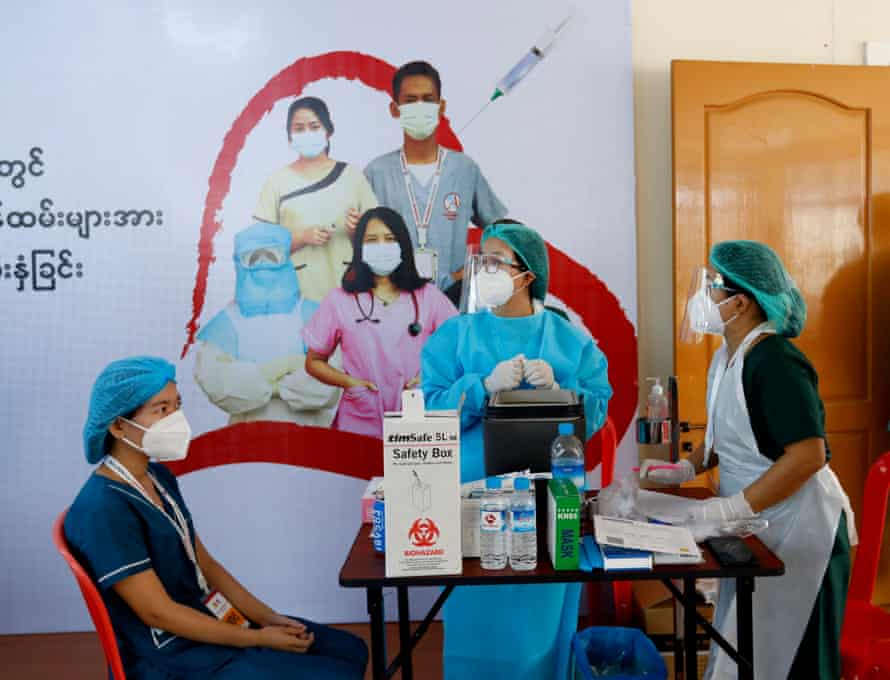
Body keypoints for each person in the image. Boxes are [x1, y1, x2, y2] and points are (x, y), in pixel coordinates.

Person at [64, 357, 368, 679]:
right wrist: (255, 639)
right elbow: (158, 612)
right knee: (334, 674)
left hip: (207, 621)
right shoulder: (104, 509)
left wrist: (267, 618)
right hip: (168, 656)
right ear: (118, 425)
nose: (176, 418)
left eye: (177, 405)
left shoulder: (157, 478)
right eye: (161, 409)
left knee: (350, 650)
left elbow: (206, 566)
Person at [640, 240, 856, 680]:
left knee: (794, 657)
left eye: (713, 287)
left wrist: (734, 508)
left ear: (741, 302)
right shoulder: (728, 358)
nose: (705, 298)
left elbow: (807, 456)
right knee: (747, 649)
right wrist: (687, 467)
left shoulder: (776, 361)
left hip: (802, 528)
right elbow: (732, 436)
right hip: (761, 523)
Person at [421, 220, 613, 679]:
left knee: (538, 628)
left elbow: (598, 410)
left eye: (494, 261)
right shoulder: (456, 335)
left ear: (526, 276)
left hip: (550, 505)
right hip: (473, 503)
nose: (481, 270)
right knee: (475, 618)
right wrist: (481, 386)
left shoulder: (569, 340)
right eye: (479, 260)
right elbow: (429, 407)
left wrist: (563, 390)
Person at [303, 206, 457, 439]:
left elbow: (459, 350)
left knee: (414, 476)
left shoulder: (428, 296)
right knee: (357, 473)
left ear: (403, 245)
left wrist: (429, 378)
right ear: (360, 249)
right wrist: (349, 382)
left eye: (390, 239)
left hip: (416, 425)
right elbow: (314, 361)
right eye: (372, 240)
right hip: (360, 421)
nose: (381, 246)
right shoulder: (340, 300)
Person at [364, 61, 507, 305]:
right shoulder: (377, 173)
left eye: (427, 99)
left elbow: (503, 232)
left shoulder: (464, 169)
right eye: (410, 100)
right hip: (395, 304)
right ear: (394, 109)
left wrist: (464, 274)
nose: (419, 107)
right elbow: (361, 243)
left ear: (441, 107)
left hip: (454, 301)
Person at [194, 222, 339, 427]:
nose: (263, 263)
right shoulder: (225, 323)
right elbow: (216, 384)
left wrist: (259, 378)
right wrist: (288, 368)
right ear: (239, 262)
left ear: (286, 258)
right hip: (247, 442)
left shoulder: (316, 314)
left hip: (312, 438)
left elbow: (329, 385)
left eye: (272, 255)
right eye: (252, 257)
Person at [255, 96, 378, 303]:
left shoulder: (352, 176)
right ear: (289, 137)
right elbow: (260, 251)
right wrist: (301, 238)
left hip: (348, 293)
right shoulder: (276, 182)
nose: (307, 133)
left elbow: (379, 239)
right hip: (294, 296)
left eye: (314, 126)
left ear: (328, 131)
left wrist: (356, 232)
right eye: (299, 128)